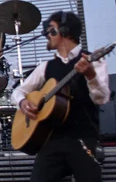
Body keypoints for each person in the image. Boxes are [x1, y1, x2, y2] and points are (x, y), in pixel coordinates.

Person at [11, 11, 110, 182]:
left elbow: (101, 98)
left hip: (83, 139)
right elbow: (18, 91)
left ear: (64, 31)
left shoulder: (92, 61)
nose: (46, 35)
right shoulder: (45, 67)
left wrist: (90, 75)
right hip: (52, 140)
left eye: (50, 29)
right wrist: (23, 103)